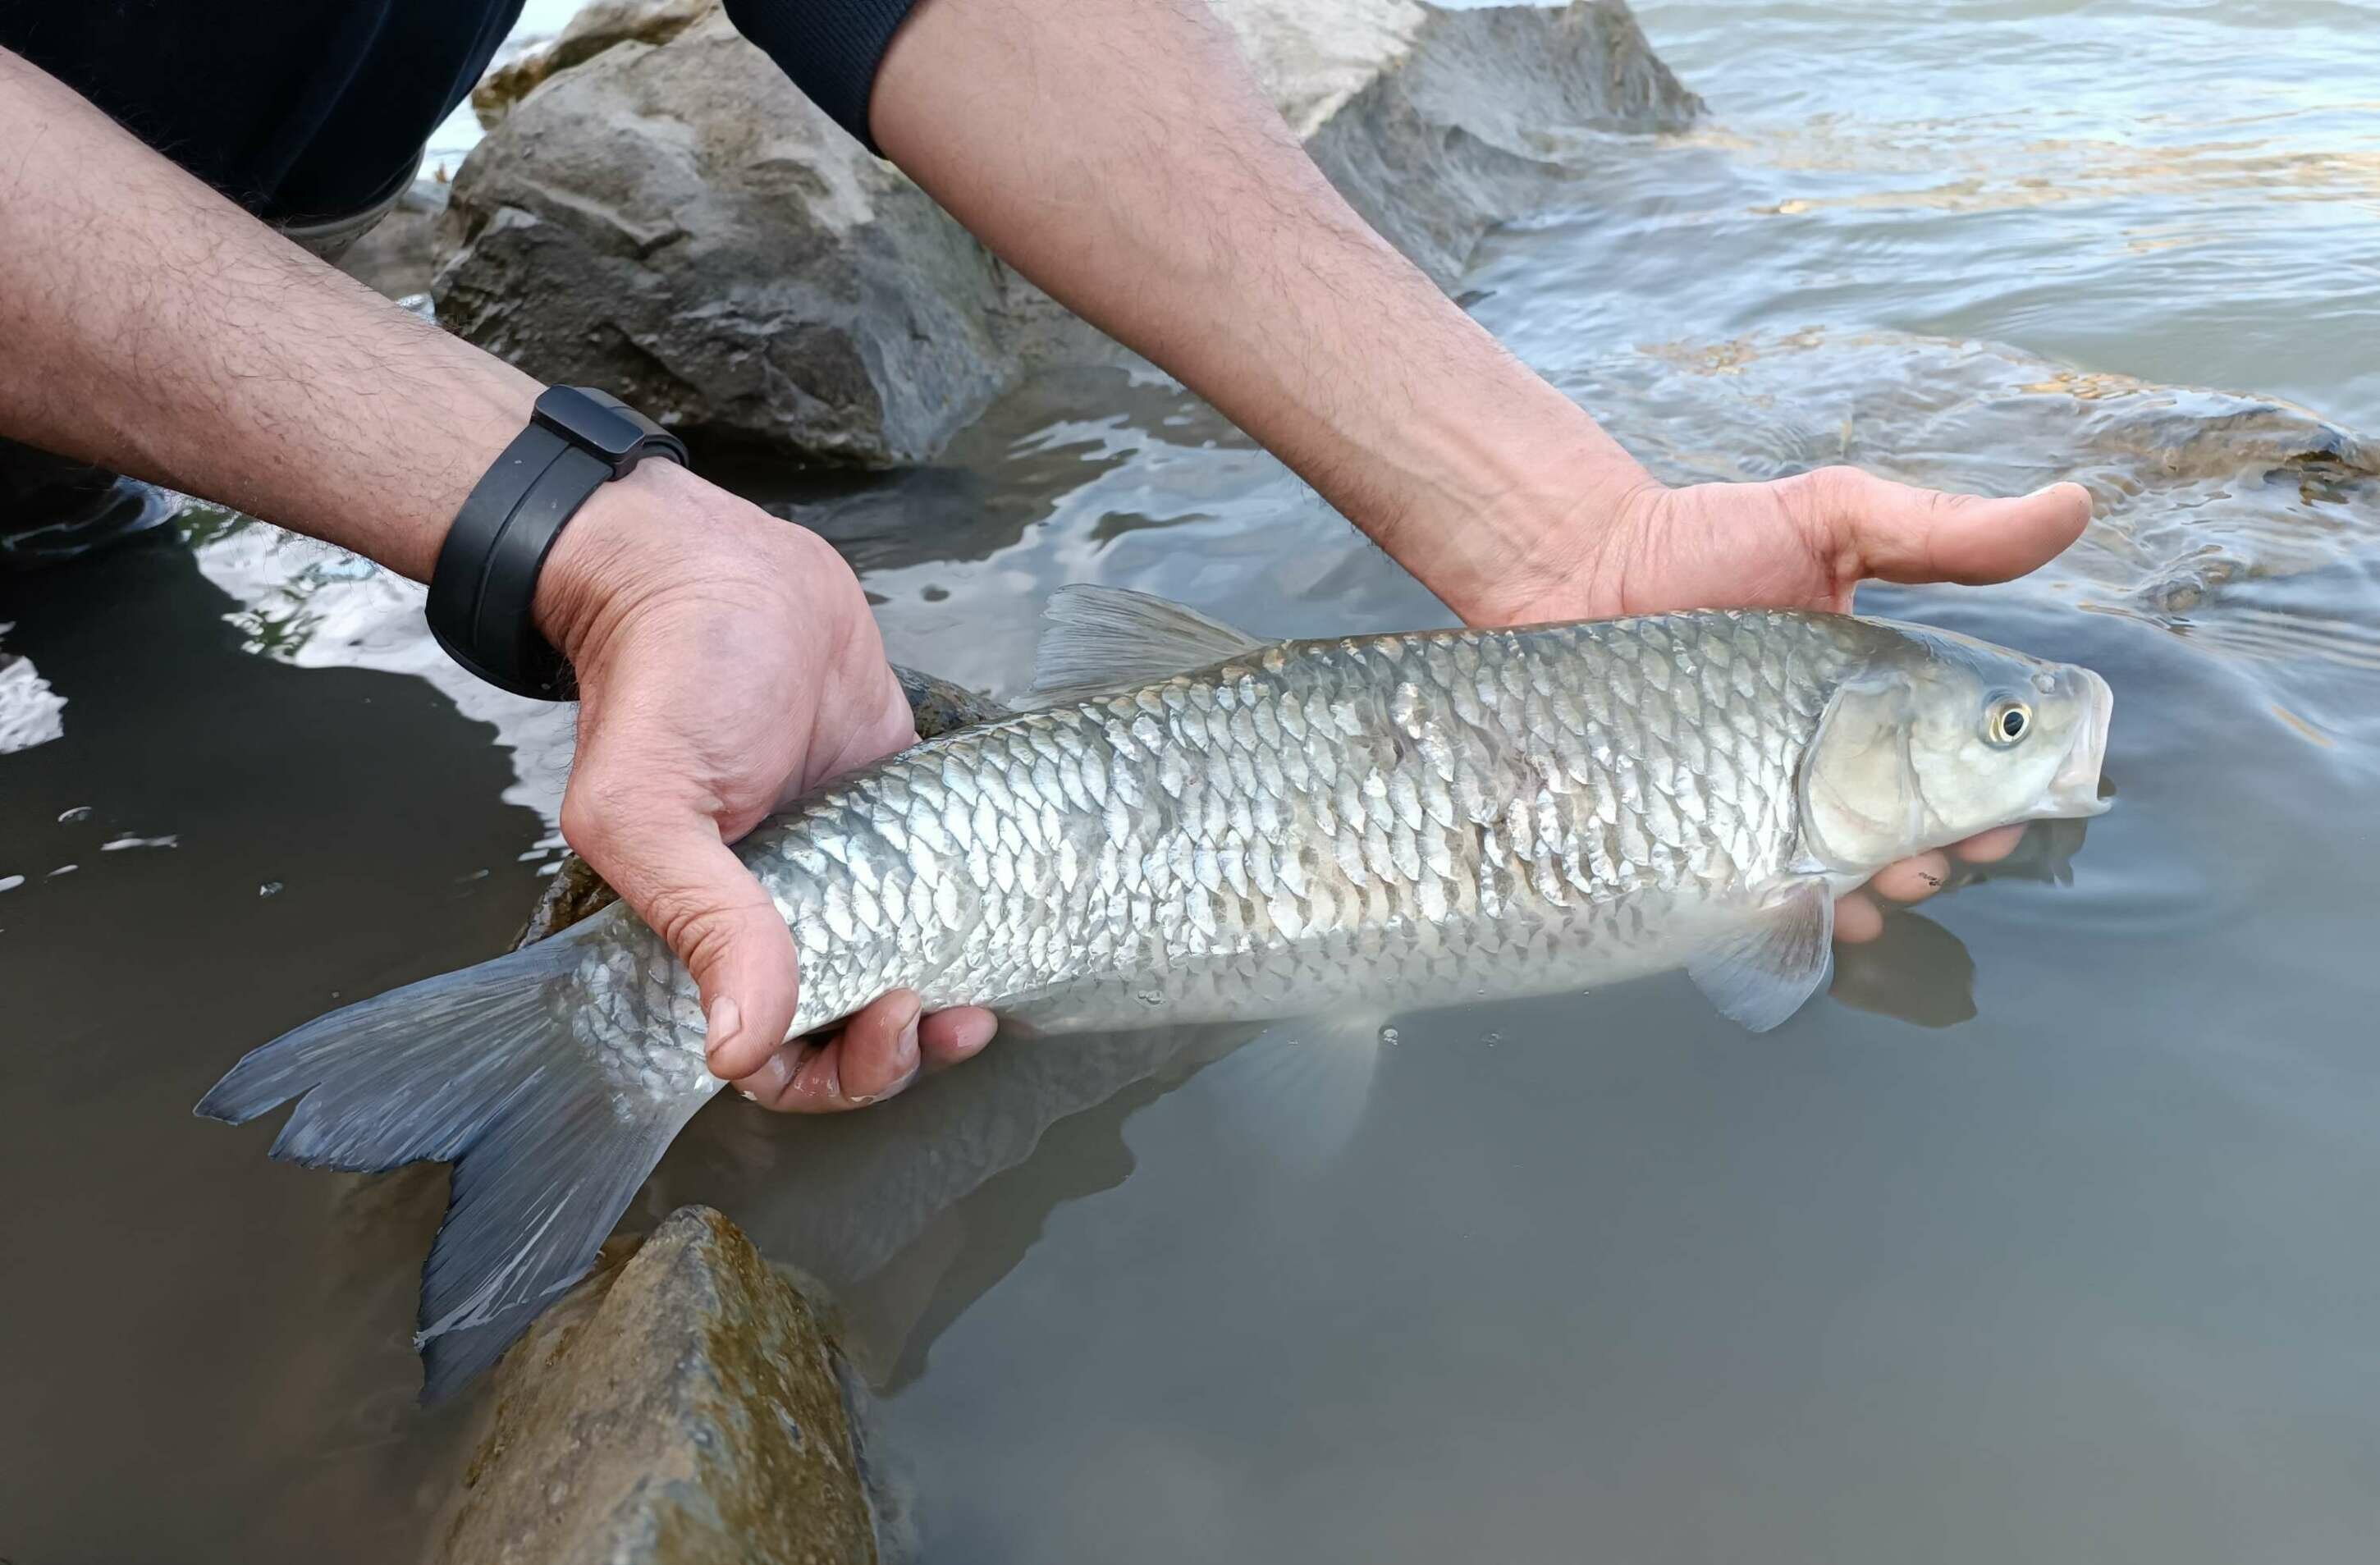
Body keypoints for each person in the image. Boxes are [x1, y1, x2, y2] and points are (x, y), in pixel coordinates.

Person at [0, 0, 2086, 1112]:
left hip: (197, 269)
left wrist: (1550, 518)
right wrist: (572, 521)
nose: (2035, 726)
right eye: (1999, 718)